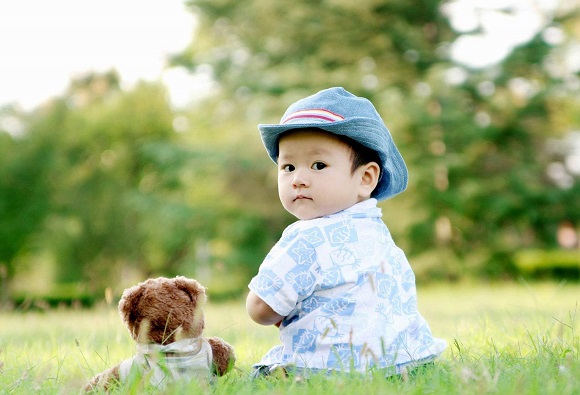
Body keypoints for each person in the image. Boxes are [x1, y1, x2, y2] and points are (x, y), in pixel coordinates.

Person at [246, 87, 447, 378]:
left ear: (366, 178)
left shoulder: (306, 237)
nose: (299, 179)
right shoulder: (377, 233)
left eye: (318, 165)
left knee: (262, 376)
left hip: (331, 369)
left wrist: (274, 310)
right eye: (288, 166)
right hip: (405, 363)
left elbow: (261, 308)